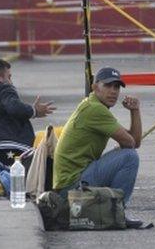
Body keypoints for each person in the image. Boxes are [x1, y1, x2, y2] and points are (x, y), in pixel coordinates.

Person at [53, 67, 142, 209]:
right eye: (107, 85)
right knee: (130, 157)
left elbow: (134, 142)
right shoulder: (95, 109)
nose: (113, 91)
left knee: (126, 153)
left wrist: (135, 110)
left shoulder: (92, 105)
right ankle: (116, 212)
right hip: (71, 189)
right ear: (95, 87)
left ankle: (110, 211)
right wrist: (123, 147)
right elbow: (131, 143)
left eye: (117, 87)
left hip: (72, 183)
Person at [0, 58, 56, 165]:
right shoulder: (3, 88)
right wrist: (34, 111)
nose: (11, 82)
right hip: (10, 148)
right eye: (9, 77)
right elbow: (13, 107)